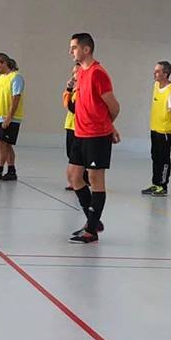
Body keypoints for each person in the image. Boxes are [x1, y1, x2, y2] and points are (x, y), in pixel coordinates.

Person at [67, 33, 120, 244]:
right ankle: (94, 220)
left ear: (86, 49)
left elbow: (114, 107)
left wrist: (107, 126)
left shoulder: (98, 73)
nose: (70, 51)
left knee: (96, 179)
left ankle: (91, 230)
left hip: (97, 136)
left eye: (74, 48)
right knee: (74, 177)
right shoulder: (80, 72)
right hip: (79, 133)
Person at [141, 61, 171, 196]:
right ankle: (156, 184)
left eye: (158, 71)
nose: (154, 73)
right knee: (155, 157)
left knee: (163, 159)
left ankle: (163, 186)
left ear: (165, 74)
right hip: (155, 128)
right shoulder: (156, 85)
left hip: (164, 131)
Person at [0, 53, 25, 181]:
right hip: (1, 116)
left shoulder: (16, 77)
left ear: (4, 63)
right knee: (6, 145)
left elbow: (16, 98)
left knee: (2, 143)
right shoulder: (1, 78)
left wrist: (9, 117)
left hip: (11, 117)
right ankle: (11, 171)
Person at [63, 65, 89, 191]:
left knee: (76, 156)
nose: (74, 75)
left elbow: (72, 107)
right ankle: (81, 178)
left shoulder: (83, 90)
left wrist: (68, 91)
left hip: (79, 127)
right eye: (73, 73)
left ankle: (79, 179)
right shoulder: (74, 90)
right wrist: (69, 89)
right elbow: (67, 104)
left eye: (76, 72)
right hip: (70, 125)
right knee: (70, 153)